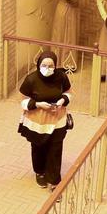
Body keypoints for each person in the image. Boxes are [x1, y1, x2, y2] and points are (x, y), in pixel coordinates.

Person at [18, 51, 72, 193]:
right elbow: (22, 100)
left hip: (57, 121)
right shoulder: (31, 79)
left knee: (55, 150)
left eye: (51, 65)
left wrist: (62, 101)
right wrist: (38, 104)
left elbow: (68, 93)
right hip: (38, 122)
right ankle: (40, 171)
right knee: (38, 148)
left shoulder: (61, 77)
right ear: (38, 65)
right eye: (44, 65)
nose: (48, 68)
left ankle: (54, 180)